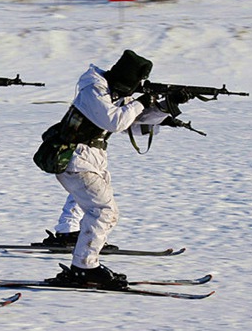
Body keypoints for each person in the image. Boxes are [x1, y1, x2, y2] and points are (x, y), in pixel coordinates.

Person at [41, 50, 187, 290]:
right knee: (103, 211)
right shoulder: (93, 90)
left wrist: (167, 106)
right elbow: (115, 121)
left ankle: (81, 254)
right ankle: (84, 267)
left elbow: (136, 125)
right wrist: (141, 101)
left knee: (97, 209)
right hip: (73, 159)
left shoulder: (115, 95)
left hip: (88, 161)